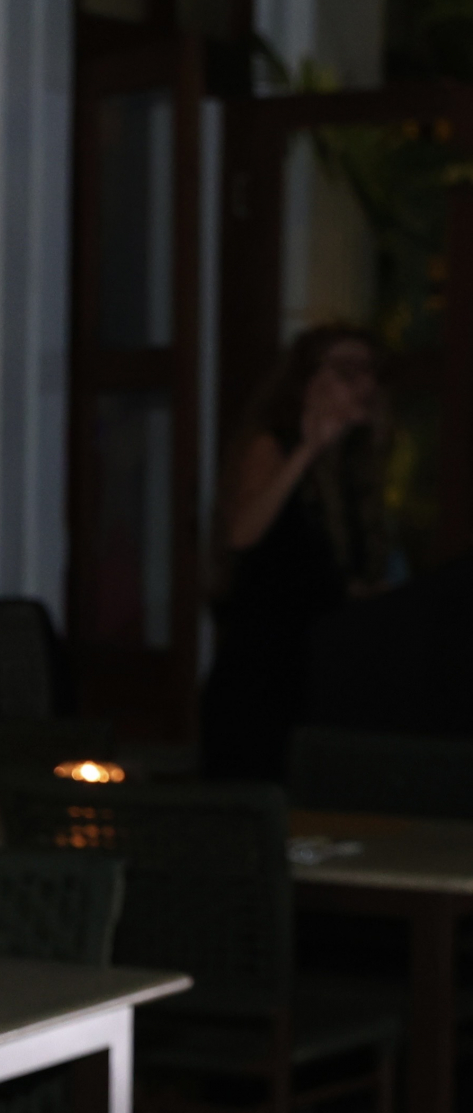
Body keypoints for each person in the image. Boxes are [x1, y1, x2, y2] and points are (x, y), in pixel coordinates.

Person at [201, 325, 392, 780]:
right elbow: (242, 534)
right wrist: (307, 450)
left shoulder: (353, 467)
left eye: (370, 371)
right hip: (262, 674)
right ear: (307, 382)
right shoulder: (273, 445)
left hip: (319, 673)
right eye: (347, 371)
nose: (363, 384)